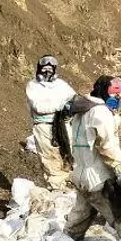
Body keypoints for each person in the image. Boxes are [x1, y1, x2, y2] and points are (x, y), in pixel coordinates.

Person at [62, 75, 121, 241]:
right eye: (116, 96)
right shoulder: (100, 113)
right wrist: (120, 170)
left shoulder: (81, 110)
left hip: (81, 174)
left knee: (81, 216)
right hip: (98, 177)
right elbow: (107, 145)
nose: (118, 101)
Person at [25, 55, 76, 186]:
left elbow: (73, 98)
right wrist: (59, 106)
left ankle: (67, 188)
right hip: (43, 127)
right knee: (50, 160)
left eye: (50, 68)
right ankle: (56, 189)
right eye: (44, 68)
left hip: (63, 125)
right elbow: (38, 107)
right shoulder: (33, 86)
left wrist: (69, 107)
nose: (47, 72)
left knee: (66, 157)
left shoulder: (61, 85)